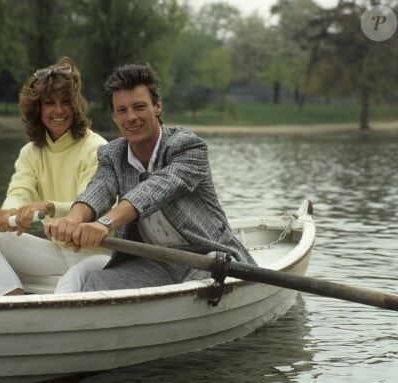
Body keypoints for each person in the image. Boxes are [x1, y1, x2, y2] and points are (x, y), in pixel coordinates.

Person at [44, 63, 256, 292]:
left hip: (207, 256)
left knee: (198, 288)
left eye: (139, 107)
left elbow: (156, 188)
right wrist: (72, 220)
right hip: (154, 263)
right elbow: (99, 189)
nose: (131, 117)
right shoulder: (112, 154)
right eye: (122, 110)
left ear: (157, 107)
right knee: (97, 284)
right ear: (114, 117)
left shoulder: (188, 146)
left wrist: (104, 223)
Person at [0, 57, 110, 296]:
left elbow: (94, 205)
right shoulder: (31, 152)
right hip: (58, 251)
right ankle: (16, 305)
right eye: (49, 103)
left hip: (100, 254)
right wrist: (8, 213)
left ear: (76, 105)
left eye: (66, 101)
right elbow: (19, 192)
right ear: (38, 108)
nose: (59, 110)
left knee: (67, 285)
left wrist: (51, 207)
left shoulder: (96, 148)